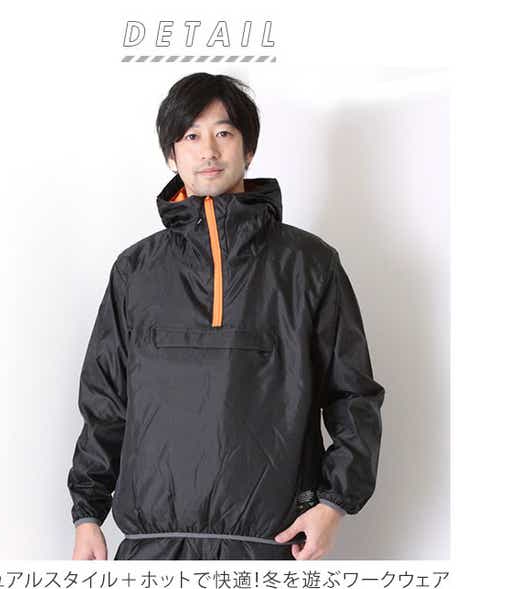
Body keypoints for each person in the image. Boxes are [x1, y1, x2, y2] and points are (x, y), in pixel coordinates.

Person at [67, 72, 385, 561]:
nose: (209, 151)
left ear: (248, 149)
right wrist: (88, 514)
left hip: (273, 546)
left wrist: (334, 504)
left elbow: (353, 395)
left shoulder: (309, 264)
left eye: (224, 132)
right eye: (191, 136)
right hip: (154, 550)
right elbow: (106, 401)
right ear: (172, 155)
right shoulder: (136, 270)